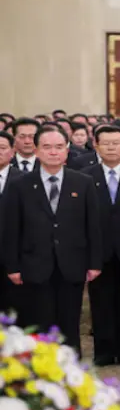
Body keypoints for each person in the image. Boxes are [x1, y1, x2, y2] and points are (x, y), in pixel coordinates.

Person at [3, 124, 102, 353]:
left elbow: (93, 226)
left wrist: (94, 263)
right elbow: (12, 229)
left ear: (67, 150)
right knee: (39, 323)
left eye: (59, 147)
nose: (53, 152)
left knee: (69, 324)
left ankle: (72, 374)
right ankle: (41, 375)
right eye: (47, 147)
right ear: (36, 151)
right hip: (34, 265)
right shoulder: (20, 185)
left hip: (72, 263)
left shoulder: (83, 182)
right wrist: (13, 267)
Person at [82, 125, 120, 367]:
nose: (110, 147)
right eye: (105, 143)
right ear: (95, 146)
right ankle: (104, 352)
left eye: (115, 142)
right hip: (99, 251)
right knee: (101, 303)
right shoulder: (85, 176)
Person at [0, 131, 24, 312]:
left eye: (2, 148)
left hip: (14, 257)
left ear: (12, 151)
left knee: (13, 311)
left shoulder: (24, 180)